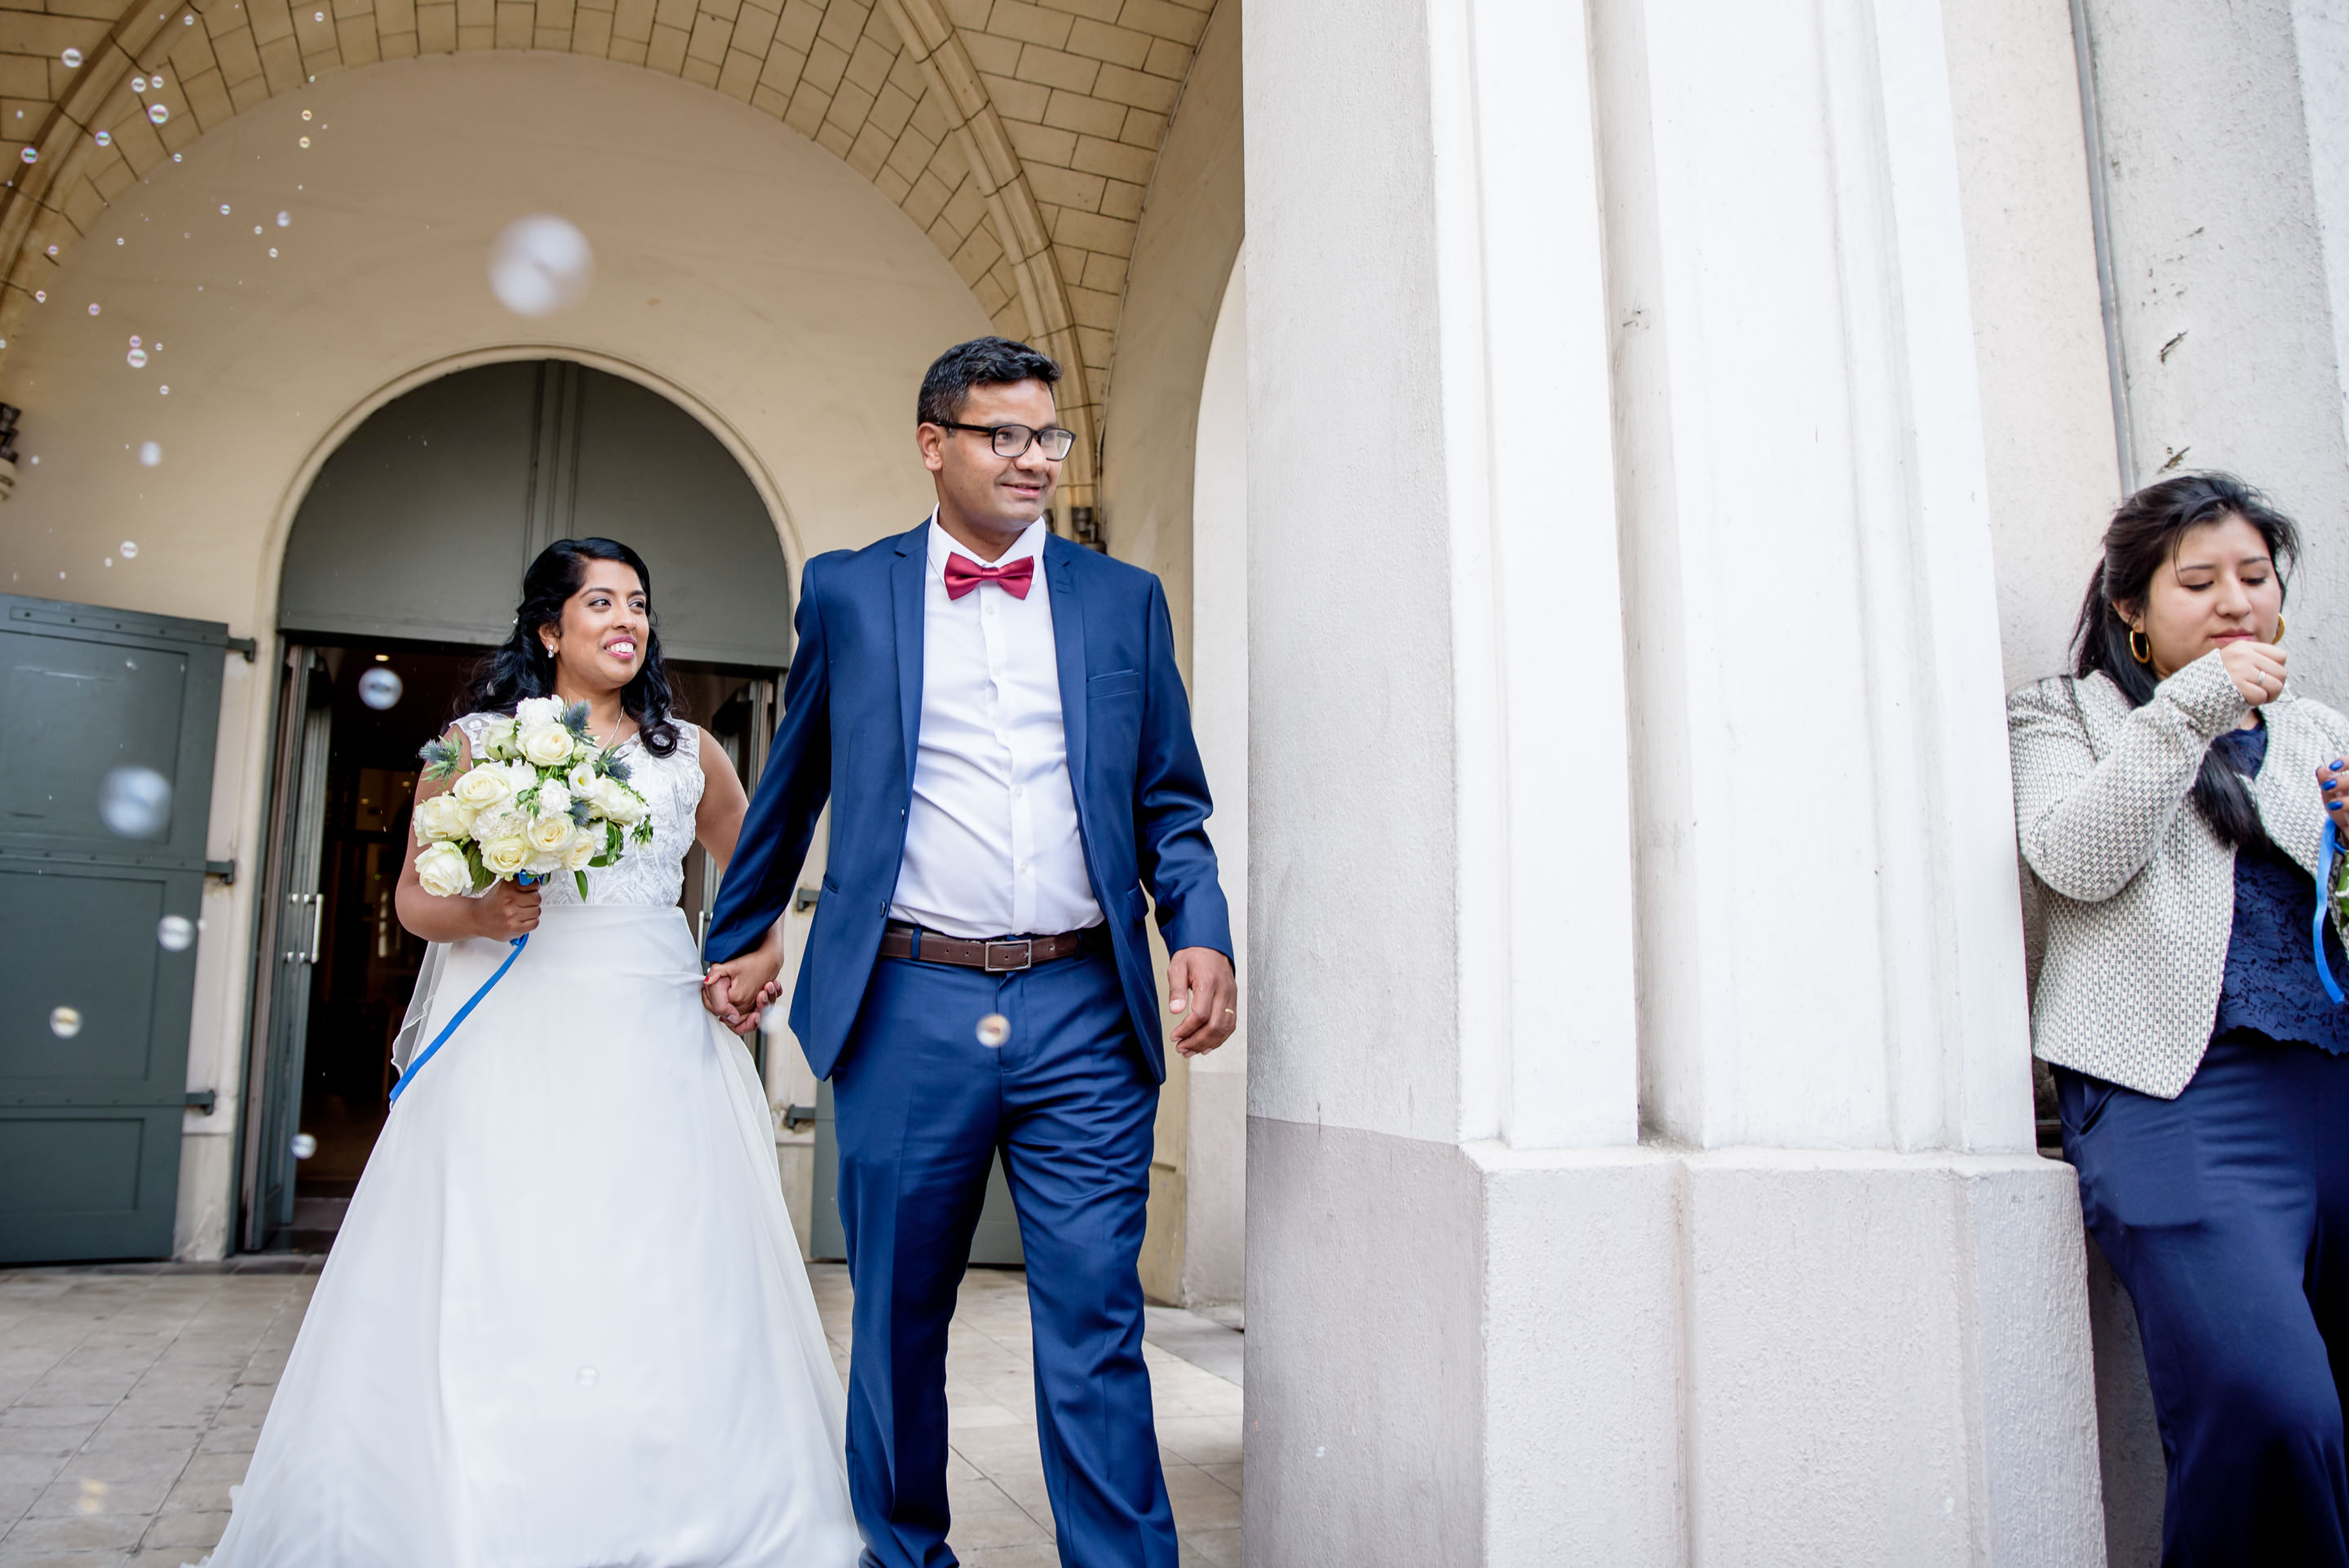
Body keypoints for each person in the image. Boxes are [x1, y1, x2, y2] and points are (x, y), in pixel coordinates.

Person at [198, 539, 860, 1566]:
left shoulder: (688, 752)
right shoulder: (472, 746)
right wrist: (484, 910)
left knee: (660, 1258)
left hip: (653, 1034)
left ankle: (678, 1503)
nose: (625, 621)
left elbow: (759, 878)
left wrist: (755, 955)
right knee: (508, 1250)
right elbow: (414, 900)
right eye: (600, 603)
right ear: (549, 629)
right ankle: (484, 1494)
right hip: (514, 1032)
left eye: (638, 603)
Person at [700, 336, 1236, 1568]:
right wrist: (742, 936)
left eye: (1046, 435)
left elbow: (1170, 800)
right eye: (1002, 434)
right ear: (935, 443)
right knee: (895, 1316)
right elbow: (793, 787)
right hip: (908, 1000)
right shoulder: (848, 591)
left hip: (1086, 1005)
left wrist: (1197, 927)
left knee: (1095, 1314)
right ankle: (903, 1552)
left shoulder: (1123, 599)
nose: (1032, 458)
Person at [2010, 472, 2349, 1566]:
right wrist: (2196, 707)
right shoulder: (2059, 715)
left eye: (2255, 576)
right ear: (2131, 609)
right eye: (2198, 580)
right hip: (2178, 1101)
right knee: (2267, 1406)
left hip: (2332, 1092)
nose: (2235, 600)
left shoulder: (2318, 735)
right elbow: (2074, 855)